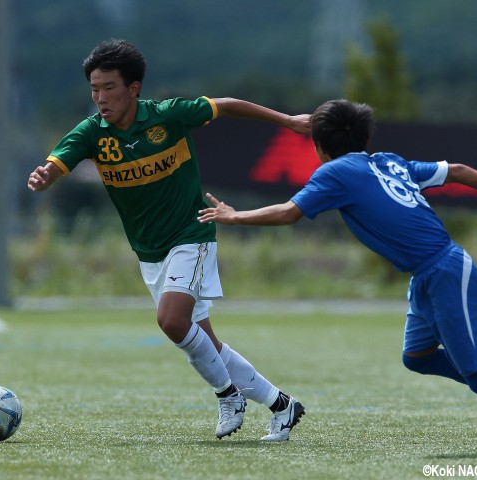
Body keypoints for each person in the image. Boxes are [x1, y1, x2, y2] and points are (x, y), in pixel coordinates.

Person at [198, 98, 477, 454]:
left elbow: (288, 212)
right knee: (416, 357)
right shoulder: (386, 160)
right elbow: (456, 169)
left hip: (445, 271)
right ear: (364, 136)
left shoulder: (334, 173)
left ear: (318, 145)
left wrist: (234, 216)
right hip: (427, 274)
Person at [27, 38, 308, 441]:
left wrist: (290, 122)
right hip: (150, 252)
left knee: (171, 321)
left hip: (191, 234)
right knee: (207, 343)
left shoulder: (169, 116)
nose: (100, 98)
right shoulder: (93, 132)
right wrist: (45, 177)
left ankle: (228, 396)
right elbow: (58, 162)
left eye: (108, 87)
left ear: (134, 88)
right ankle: (283, 405)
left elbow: (226, 104)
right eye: (94, 89)